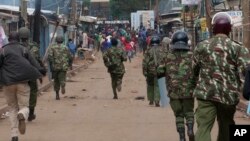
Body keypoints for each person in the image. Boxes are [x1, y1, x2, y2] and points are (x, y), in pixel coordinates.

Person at [190, 12, 250, 141]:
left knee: (203, 127)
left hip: (205, 95)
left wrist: (194, 86)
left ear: (213, 28)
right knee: (227, 127)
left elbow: (194, 70)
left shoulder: (201, 46)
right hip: (228, 96)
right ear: (230, 28)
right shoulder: (239, 49)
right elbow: (247, 71)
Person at [0, 31, 46, 141]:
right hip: (22, 82)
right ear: (19, 39)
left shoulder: (3, 50)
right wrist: (41, 71)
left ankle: (14, 135)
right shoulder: (24, 49)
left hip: (8, 84)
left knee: (12, 108)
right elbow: (34, 63)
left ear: (9, 39)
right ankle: (22, 114)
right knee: (24, 107)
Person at [157, 31, 195, 141]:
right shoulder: (192, 56)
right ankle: (191, 129)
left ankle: (182, 137)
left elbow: (159, 71)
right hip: (189, 91)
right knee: (189, 112)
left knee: (178, 115)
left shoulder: (167, 56)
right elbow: (198, 71)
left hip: (173, 91)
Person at [18, 27, 45, 122]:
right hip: (32, 74)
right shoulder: (34, 47)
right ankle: (31, 113)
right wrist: (40, 73)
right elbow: (38, 61)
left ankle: (21, 111)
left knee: (20, 92)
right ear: (28, 36)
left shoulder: (16, 47)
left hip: (20, 74)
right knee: (33, 92)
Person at [48, 35, 72, 100]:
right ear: (62, 40)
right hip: (63, 66)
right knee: (62, 78)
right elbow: (70, 57)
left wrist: (51, 66)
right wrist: (70, 65)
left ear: (56, 40)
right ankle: (63, 85)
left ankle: (57, 95)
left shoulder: (52, 47)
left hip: (55, 67)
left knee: (56, 81)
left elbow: (50, 57)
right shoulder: (65, 47)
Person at [142, 35, 164, 107]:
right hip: (160, 71)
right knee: (158, 85)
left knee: (150, 85)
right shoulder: (162, 50)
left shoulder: (148, 51)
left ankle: (151, 100)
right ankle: (157, 100)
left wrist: (144, 72)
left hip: (150, 71)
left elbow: (145, 62)